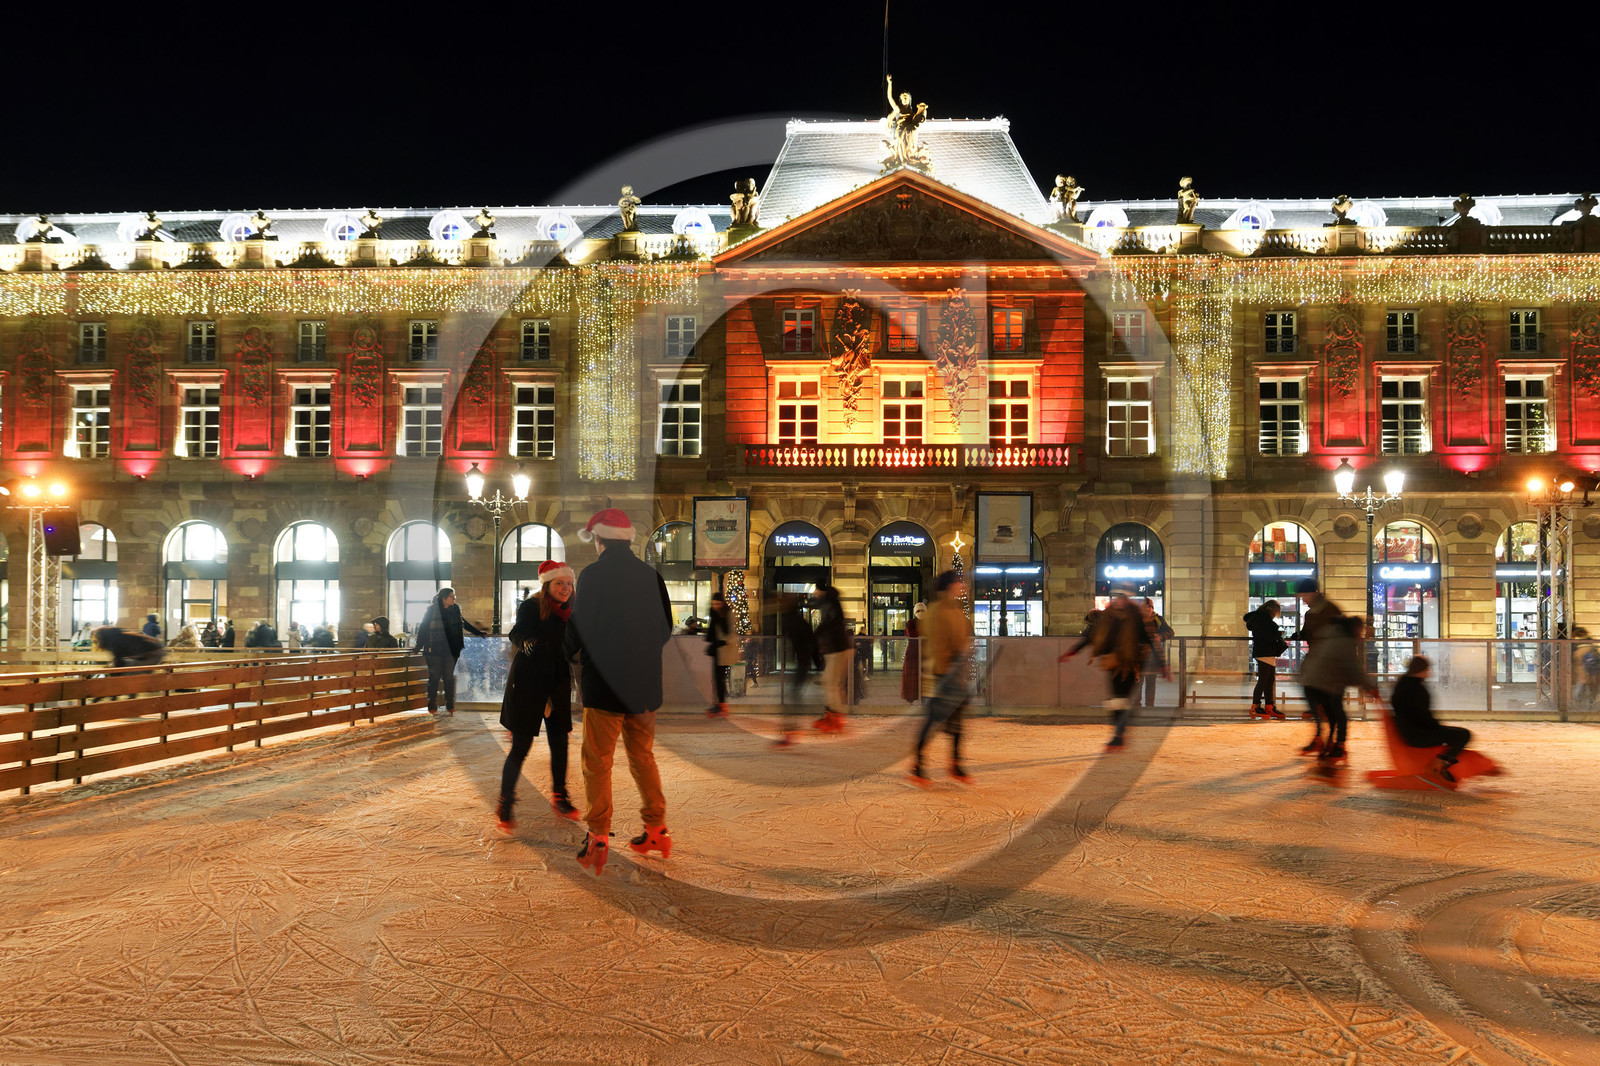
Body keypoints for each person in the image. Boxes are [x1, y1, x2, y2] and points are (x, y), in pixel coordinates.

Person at [563, 508, 673, 875]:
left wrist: (568, 653)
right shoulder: (651, 576)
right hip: (644, 687)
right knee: (642, 756)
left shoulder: (593, 575)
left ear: (599, 539)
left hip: (606, 688)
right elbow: (665, 628)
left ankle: (597, 837)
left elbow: (579, 626)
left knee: (597, 761)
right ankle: (656, 829)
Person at [497, 560, 578, 829]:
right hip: (529, 682)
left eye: (568, 583)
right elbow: (517, 632)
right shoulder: (532, 606)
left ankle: (560, 794)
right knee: (520, 747)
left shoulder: (571, 611)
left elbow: (576, 645)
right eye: (560, 583)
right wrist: (526, 641)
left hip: (556, 683)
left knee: (560, 742)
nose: (565, 588)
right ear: (548, 584)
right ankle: (506, 801)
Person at [1060, 588, 1153, 749]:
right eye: (1117, 598)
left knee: (1123, 700)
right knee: (1116, 701)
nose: (1119, 601)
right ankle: (1118, 735)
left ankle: (1120, 732)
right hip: (1113, 663)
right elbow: (1091, 637)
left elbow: (1146, 639)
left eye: (1122, 598)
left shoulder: (1135, 618)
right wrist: (1072, 651)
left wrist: (1162, 664)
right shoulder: (1107, 619)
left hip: (1130, 664)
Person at [910, 572, 974, 785]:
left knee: (956, 721)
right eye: (959, 583)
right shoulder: (938, 611)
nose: (962, 586)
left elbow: (962, 638)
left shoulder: (954, 610)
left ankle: (955, 763)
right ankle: (917, 764)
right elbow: (938, 645)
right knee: (934, 719)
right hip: (943, 675)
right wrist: (945, 670)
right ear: (949, 586)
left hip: (954, 674)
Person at [1299, 614, 1380, 764]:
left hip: (1309, 682)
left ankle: (1323, 741)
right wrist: (1369, 688)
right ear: (1354, 628)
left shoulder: (1327, 634)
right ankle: (1338, 744)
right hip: (1326, 683)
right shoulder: (1345, 642)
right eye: (1360, 630)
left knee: (1329, 714)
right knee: (1337, 714)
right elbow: (1354, 670)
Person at [1389, 655, 1472, 782]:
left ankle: (1440, 763)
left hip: (1407, 731)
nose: (1430, 672)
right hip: (1419, 734)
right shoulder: (1417, 688)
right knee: (1463, 735)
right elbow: (1422, 717)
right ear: (1423, 670)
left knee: (1454, 733)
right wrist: (1437, 727)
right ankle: (1439, 765)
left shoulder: (1402, 684)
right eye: (1428, 669)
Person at [1290, 579, 1347, 753]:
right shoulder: (1310, 614)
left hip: (1334, 665)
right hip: (1317, 664)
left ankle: (1338, 742)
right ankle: (1319, 737)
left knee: (1334, 705)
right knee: (1312, 696)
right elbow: (1308, 633)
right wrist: (1299, 635)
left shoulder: (1331, 610)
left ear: (1313, 593)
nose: (1303, 600)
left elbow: (1343, 636)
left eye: (1304, 595)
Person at [415, 588, 486, 715]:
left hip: (451, 648)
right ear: (444, 598)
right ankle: (432, 703)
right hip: (434, 648)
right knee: (435, 676)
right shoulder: (432, 610)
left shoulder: (456, 609)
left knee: (448, 676)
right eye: (452, 597)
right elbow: (423, 628)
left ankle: (450, 702)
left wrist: (477, 632)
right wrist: (418, 646)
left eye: (454, 597)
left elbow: (463, 623)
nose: (454, 599)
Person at [812, 583, 851, 733]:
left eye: (816, 589)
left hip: (836, 648)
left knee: (831, 682)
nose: (814, 592)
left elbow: (830, 624)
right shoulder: (829, 603)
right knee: (828, 682)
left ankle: (835, 718)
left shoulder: (830, 603)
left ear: (822, 590)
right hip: (831, 648)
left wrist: (816, 633)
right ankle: (830, 715)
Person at [1244, 600, 1289, 719]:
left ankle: (1269, 706)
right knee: (1264, 681)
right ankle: (1256, 707)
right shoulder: (1264, 621)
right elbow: (1268, 636)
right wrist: (1279, 634)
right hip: (1265, 652)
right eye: (1276, 612)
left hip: (1265, 652)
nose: (1275, 615)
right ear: (1271, 610)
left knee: (1268, 681)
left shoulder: (1259, 620)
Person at [1138, 598, 1174, 708]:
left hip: (1152, 659)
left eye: (1149, 607)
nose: (1147, 609)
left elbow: (1170, 632)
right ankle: (1136, 707)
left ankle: (1149, 707)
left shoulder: (1158, 619)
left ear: (1152, 608)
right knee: (1137, 684)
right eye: (1145, 607)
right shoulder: (1136, 620)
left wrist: (1161, 636)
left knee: (1150, 684)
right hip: (1138, 659)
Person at [704, 593, 736, 717]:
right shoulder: (714, 614)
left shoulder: (728, 614)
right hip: (717, 649)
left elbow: (732, 634)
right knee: (717, 679)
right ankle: (719, 704)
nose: (715, 606)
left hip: (724, 651)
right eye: (713, 604)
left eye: (717, 604)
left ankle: (721, 705)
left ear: (722, 603)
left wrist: (722, 642)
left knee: (720, 679)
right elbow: (712, 631)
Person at [901, 602, 926, 704]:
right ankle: (911, 697)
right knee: (912, 677)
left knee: (924, 677)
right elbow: (912, 634)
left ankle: (924, 697)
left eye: (922, 610)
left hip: (925, 653)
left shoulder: (929, 622)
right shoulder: (910, 623)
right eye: (918, 611)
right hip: (913, 653)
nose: (920, 613)